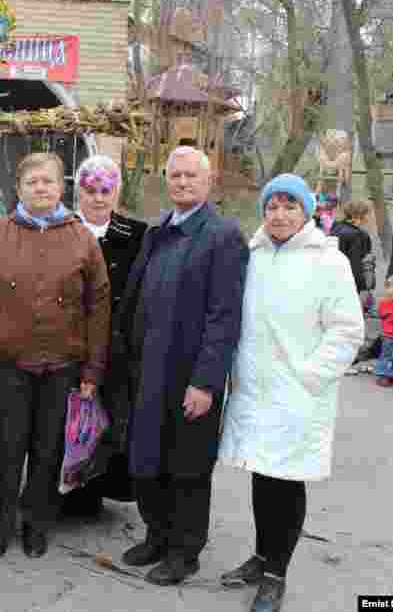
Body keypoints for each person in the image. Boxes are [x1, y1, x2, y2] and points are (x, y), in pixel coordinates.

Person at [217, 173, 364, 612]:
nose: (279, 215)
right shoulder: (254, 254)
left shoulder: (328, 261)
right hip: (255, 390)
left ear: (306, 212)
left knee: (286, 482)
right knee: (262, 477)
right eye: (272, 206)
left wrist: (311, 377)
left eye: (289, 206)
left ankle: (276, 574)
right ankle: (261, 558)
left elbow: (347, 330)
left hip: (299, 392)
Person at [0, 152, 111, 559]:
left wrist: (93, 369)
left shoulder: (83, 239)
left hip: (62, 365)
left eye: (48, 181)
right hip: (6, 361)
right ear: (18, 189)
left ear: (62, 188)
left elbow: (100, 308)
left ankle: (36, 524)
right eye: (32, 182)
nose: (40, 188)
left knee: (48, 451)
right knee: (4, 448)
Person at [113, 146, 248, 586]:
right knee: (147, 456)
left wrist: (207, 382)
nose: (183, 182)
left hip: (190, 375)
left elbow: (225, 315)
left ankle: (183, 551)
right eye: (176, 176)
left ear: (208, 182)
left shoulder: (223, 235)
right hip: (149, 367)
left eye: (192, 176)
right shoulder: (157, 231)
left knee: (186, 466)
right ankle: (156, 534)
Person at [62, 154, 147, 515]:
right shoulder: (61, 229)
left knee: (107, 419)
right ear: (78, 191)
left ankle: (94, 491)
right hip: (69, 342)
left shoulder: (137, 234)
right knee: (68, 420)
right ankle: (65, 489)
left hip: (116, 344)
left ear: (117, 193)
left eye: (106, 191)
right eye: (91, 190)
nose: (98, 198)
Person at [330, 201, 373, 307]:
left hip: (332, 281)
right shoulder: (357, 235)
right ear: (359, 215)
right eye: (367, 214)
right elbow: (355, 264)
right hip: (348, 285)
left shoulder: (336, 228)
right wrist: (363, 287)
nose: (369, 217)